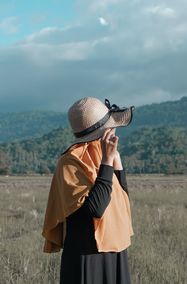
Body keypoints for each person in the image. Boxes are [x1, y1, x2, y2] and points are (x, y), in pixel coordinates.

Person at [41, 97, 135, 284]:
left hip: (114, 250)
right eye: (110, 126)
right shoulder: (70, 161)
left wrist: (117, 164)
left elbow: (121, 202)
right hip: (87, 255)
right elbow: (96, 209)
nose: (114, 130)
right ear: (102, 132)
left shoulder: (101, 153)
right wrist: (107, 162)